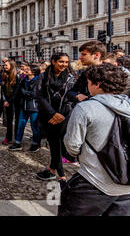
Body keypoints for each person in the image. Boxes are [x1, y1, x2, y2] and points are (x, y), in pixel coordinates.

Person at [59, 64, 130, 216]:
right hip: (127, 189)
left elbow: (72, 145)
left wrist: (79, 154)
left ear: (97, 84)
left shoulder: (86, 108)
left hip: (93, 181)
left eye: (88, 82)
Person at [36, 52, 76, 183]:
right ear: (53, 61)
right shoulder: (43, 76)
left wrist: (62, 114)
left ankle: (61, 175)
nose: (64, 65)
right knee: (54, 144)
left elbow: (72, 98)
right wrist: (53, 113)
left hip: (63, 115)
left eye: (66, 62)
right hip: (48, 115)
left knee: (57, 144)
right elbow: (40, 96)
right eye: (61, 62)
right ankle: (55, 171)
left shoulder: (71, 77)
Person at [9, 64, 41, 152]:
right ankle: (18, 143)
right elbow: (18, 91)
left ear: (33, 71)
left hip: (34, 107)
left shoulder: (38, 81)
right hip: (24, 106)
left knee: (34, 127)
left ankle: (35, 144)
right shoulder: (24, 80)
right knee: (20, 125)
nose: (25, 70)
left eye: (28, 69)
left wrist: (24, 92)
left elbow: (35, 94)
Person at [67, 40, 105, 105]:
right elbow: (71, 92)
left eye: (84, 54)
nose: (80, 57)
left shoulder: (110, 73)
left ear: (96, 55)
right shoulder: (85, 73)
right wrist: (77, 95)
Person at [0, 60, 20, 145]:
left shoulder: (17, 76)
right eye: (4, 65)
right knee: (9, 120)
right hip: (7, 100)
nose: (4, 67)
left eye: (6, 65)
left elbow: (17, 91)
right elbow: (3, 90)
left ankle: (17, 138)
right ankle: (8, 137)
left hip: (16, 101)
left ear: (12, 66)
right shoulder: (4, 75)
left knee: (17, 120)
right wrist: (5, 100)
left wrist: (9, 100)